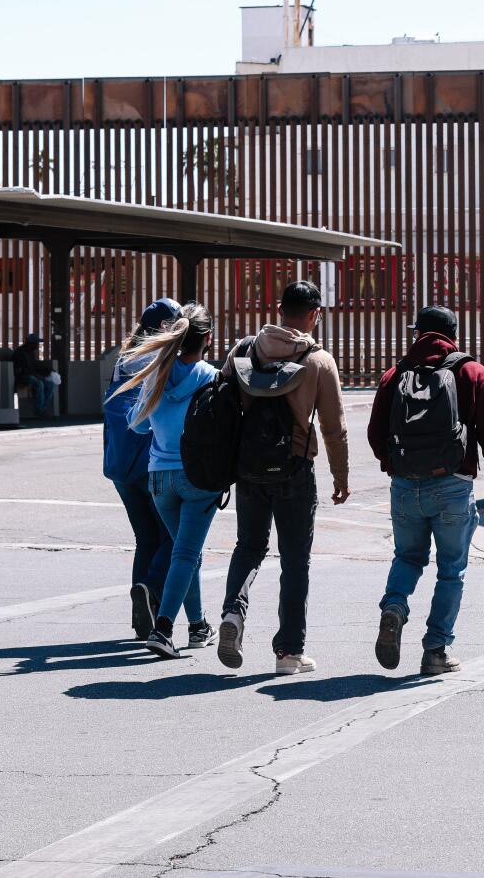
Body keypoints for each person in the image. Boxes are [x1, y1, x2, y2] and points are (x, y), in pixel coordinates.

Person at [365, 305, 484, 676]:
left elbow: (375, 431)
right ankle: (436, 651)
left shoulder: (395, 373)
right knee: (451, 571)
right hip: (453, 484)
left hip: (404, 485)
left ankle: (394, 606)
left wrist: (394, 465)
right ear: (453, 336)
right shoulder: (471, 371)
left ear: (418, 334)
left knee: (408, 558)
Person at [216, 280, 349, 676]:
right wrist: (340, 476)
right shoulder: (318, 360)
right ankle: (289, 653)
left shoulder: (243, 350)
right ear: (313, 314)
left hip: (249, 469)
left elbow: (221, 407)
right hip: (294, 469)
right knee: (295, 561)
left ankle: (233, 614)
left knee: (249, 547)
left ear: (280, 310)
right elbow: (334, 427)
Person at [117, 303, 219, 659]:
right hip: (198, 476)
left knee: (185, 554)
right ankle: (163, 629)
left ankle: (199, 626)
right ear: (207, 338)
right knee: (186, 554)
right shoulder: (210, 376)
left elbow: (137, 423)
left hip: (159, 478)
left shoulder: (156, 373)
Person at [101, 298, 180, 641]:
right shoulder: (162, 360)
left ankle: (140, 612)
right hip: (151, 463)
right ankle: (149, 589)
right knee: (172, 538)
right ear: (165, 327)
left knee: (145, 537)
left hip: (120, 465)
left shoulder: (124, 360)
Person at [11, 332, 60, 417]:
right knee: (39, 383)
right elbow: (19, 370)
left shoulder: (31, 353)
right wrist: (36, 375)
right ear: (31, 343)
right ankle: (39, 410)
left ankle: (43, 407)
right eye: (36, 343)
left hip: (31, 375)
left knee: (50, 384)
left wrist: (49, 370)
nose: (38, 345)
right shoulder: (19, 353)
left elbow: (35, 365)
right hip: (22, 377)